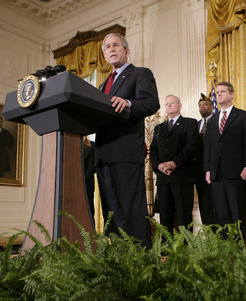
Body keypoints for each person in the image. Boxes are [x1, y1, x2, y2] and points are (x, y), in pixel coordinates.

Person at [95, 33, 160, 248]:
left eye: (115, 45)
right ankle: (118, 256)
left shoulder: (140, 74)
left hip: (126, 152)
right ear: (104, 55)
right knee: (111, 211)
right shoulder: (103, 85)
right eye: (107, 47)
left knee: (131, 209)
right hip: (103, 154)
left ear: (126, 51)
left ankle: (141, 258)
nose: (111, 49)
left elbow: (151, 103)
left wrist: (129, 103)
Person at [204, 82, 246, 238]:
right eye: (217, 92)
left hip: (236, 173)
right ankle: (226, 250)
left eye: (223, 91)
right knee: (221, 213)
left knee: (236, 212)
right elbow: (209, 147)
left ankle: (240, 250)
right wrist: (207, 169)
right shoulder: (212, 120)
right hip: (217, 173)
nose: (218, 94)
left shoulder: (243, 116)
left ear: (232, 94)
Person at [150, 95, 200, 233]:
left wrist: (175, 163)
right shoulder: (159, 128)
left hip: (182, 176)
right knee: (165, 215)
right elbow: (153, 150)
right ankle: (166, 248)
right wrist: (158, 166)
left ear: (179, 105)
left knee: (184, 215)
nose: (169, 106)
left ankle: (184, 249)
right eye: (166, 104)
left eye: (172, 103)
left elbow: (192, 146)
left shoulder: (190, 123)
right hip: (163, 178)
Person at [196, 94, 216, 225]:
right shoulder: (195, 124)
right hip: (199, 169)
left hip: (214, 167)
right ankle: (207, 229)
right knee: (203, 201)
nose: (203, 107)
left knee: (215, 201)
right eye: (200, 105)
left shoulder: (217, 120)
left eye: (206, 105)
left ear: (212, 106)